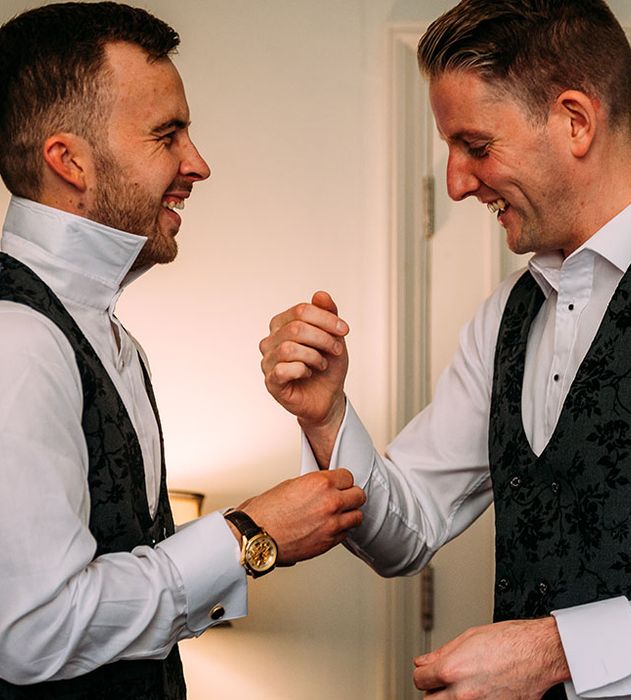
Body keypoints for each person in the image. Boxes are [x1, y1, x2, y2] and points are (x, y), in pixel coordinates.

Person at [259, 0, 631, 698]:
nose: (459, 181)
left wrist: (556, 651)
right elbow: (404, 531)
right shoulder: (506, 314)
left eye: (475, 145)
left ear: (575, 121)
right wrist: (325, 416)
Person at [0, 3, 366, 697]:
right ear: (68, 160)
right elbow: (34, 631)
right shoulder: (16, 343)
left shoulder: (112, 340)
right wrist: (249, 536)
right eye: (167, 135)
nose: (197, 164)